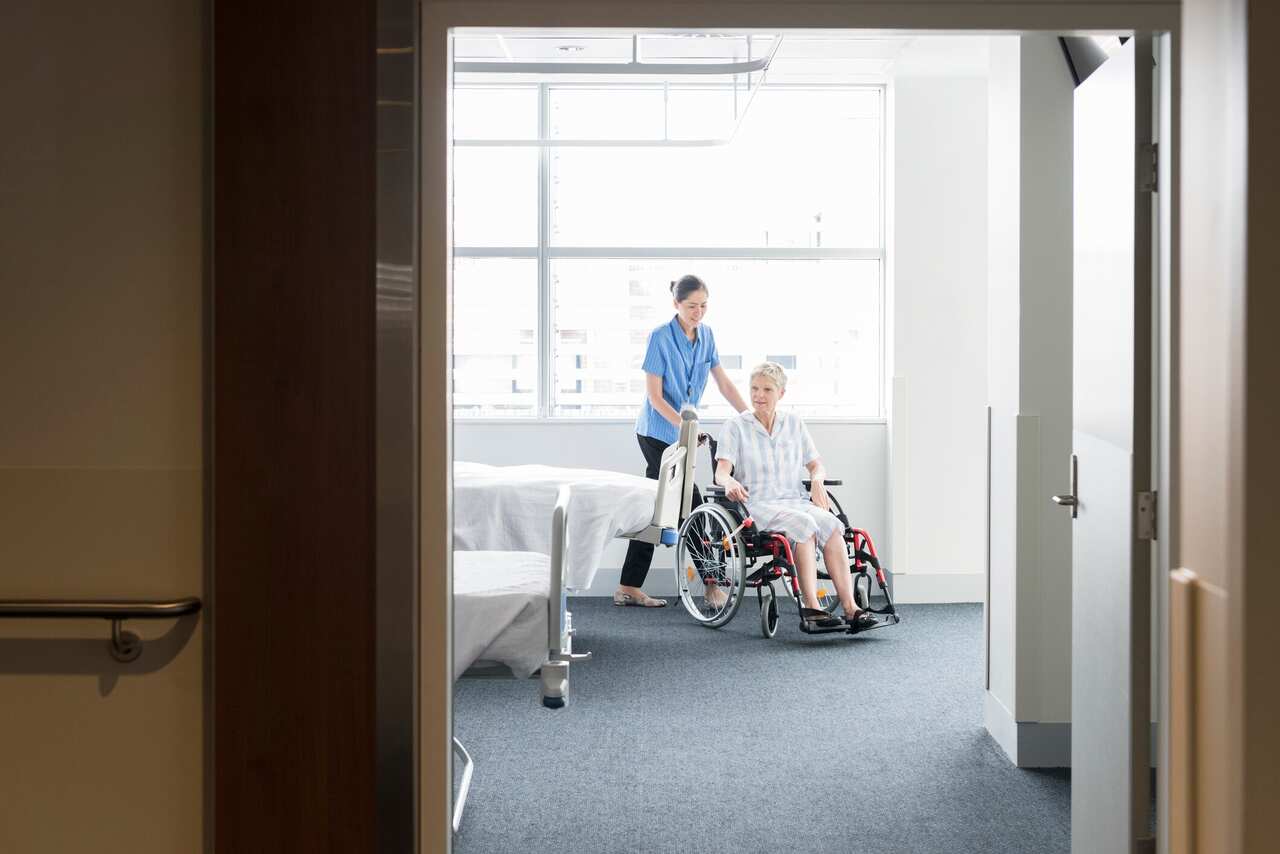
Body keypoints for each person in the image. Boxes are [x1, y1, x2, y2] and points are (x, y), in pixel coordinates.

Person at [613, 275, 749, 608]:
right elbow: (655, 398)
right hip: (657, 432)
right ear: (676, 304)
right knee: (692, 503)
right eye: (691, 306)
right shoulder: (660, 337)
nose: (698, 312)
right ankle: (713, 585)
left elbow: (724, 383)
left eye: (703, 306)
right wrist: (687, 426)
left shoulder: (707, 337)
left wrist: (750, 416)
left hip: (685, 434)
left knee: (655, 507)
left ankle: (628, 586)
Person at [714, 361, 878, 631]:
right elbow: (721, 473)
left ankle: (851, 608)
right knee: (805, 525)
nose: (759, 395)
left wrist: (816, 480)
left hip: (794, 501)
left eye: (767, 389)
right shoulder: (735, 426)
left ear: (781, 394)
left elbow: (816, 464)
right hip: (758, 505)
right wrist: (729, 481)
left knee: (831, 524)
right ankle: (812, 606)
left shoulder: (794, 423)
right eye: (754, 388)